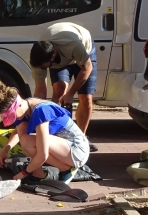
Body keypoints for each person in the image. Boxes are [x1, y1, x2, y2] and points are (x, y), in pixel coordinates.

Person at [0, 80, 89, 185]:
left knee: (29, 141)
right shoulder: (24, 106)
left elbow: (43, 155)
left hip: (77, 150)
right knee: (26, 140)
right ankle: (38, 175)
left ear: (18, 105)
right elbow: (18, 133)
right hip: (64, 149)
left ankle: (66, 169)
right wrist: (4, 150)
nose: (14, 120)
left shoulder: (40, 110)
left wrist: (23, 173)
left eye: (12, 116)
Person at [29, 22, 98, 152]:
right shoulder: (39, 57)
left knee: (86, 97)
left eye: (46, 66)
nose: (45, 69)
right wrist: (35, 113)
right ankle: (58, 135)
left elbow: (87, 68)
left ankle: (81, 139)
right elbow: (40, 91)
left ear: (53, 55)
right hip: (60, 60)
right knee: (59, 90)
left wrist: (71, 93)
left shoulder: (73, 45)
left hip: (84, 50)